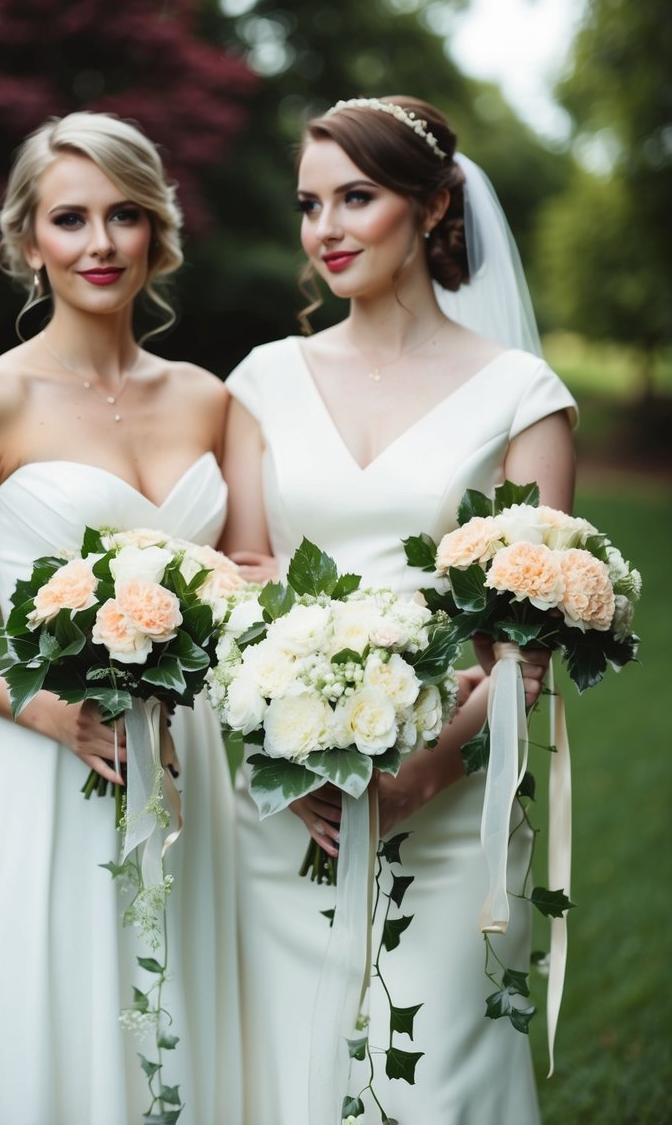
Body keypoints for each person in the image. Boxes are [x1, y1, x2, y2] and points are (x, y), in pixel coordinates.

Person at [221, 95, 577, 1124]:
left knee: (432, 1082)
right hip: (287, 803)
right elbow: (240, 579)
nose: (324, 227)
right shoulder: (261, 382)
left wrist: (424, 771)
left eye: (355, 197)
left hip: (451, 789)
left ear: (428, 209)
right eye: (308, 203)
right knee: (281, 1072)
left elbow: (530, 638)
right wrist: (279, 764)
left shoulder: (520, 395)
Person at [0, 111, 241, 1125]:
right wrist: (43, 706)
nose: (100, 244)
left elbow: (252, 580)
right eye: (71, 218)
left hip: (196, 772)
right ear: (27, 240)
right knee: (49, 1031)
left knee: (189, 1024)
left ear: (156, 234)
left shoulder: (208, 400)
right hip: (50, 766)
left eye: (125, 216)